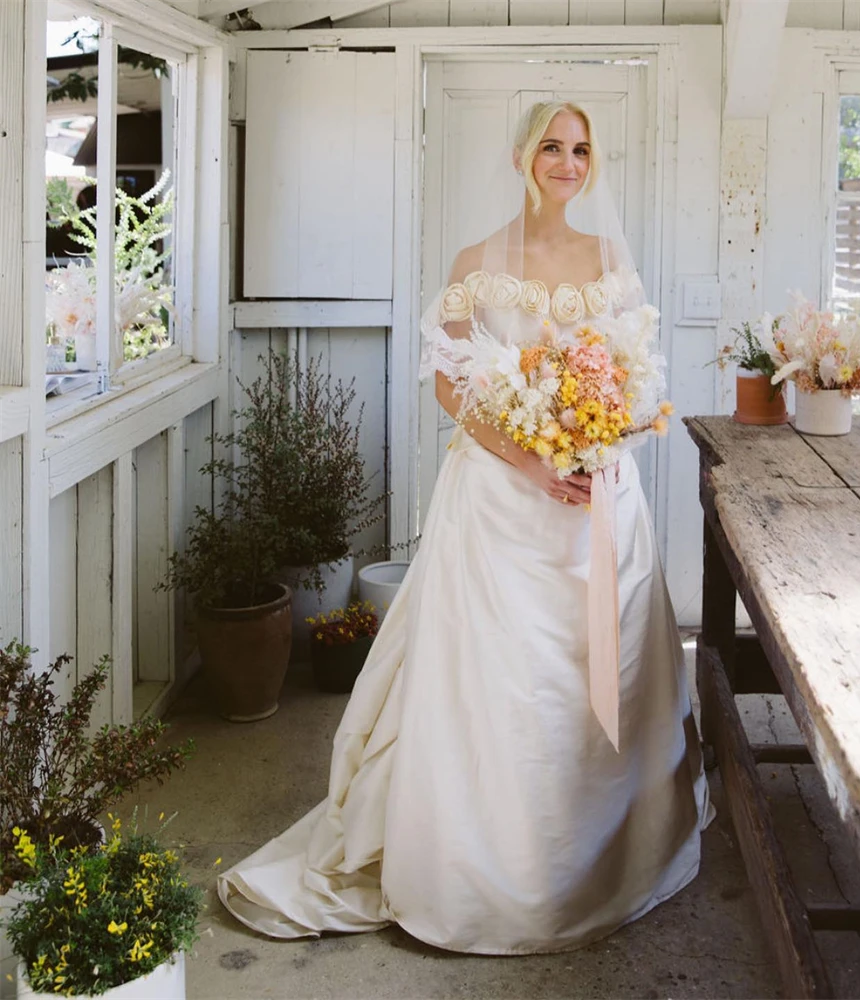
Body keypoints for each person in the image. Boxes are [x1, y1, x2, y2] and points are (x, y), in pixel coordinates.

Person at [218, 100, 714, 956]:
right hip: (502, 502)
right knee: (504, 681)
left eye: (582, 148)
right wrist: (532, 460)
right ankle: (488, 866)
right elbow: (452, 388)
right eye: (552, 145)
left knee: (613, 663)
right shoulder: (475, 263)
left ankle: (611, 851)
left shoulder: (610, 262)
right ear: (521, 154)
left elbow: (632, 379)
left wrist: (599, 444)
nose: (568, 161)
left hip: (598, 499)